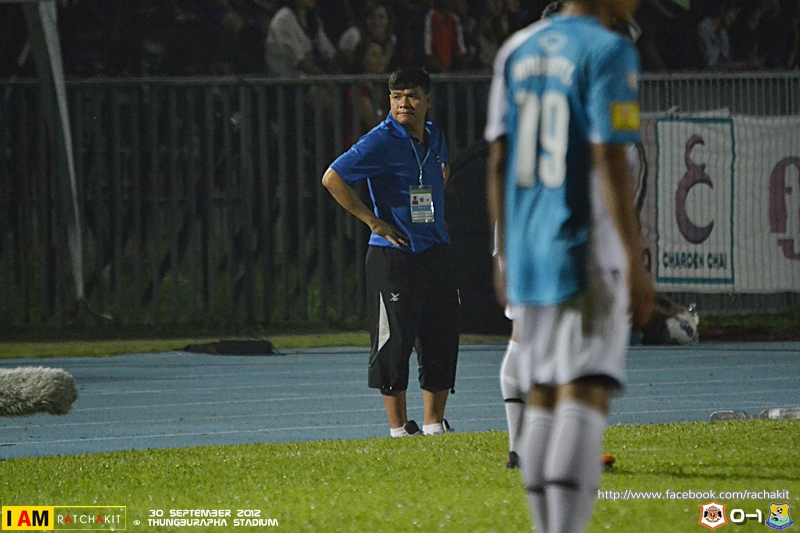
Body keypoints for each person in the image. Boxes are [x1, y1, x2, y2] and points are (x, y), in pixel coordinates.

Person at [485, 0, 655, 532]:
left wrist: (505, 252)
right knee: (584, 390)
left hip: (530, 245)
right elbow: (609, 156)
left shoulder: (516, 49)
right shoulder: (608, 50)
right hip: (583, 245)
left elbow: (498, 159)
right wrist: (634, 258)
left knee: (541, 394)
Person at [322, 67, 460, 438]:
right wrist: (373, 221)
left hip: (435, 249)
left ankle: (434, 425)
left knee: (440, 336)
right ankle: (399, 429)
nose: (404, 104)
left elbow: (442, 171)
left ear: (428, 100)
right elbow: (332, 177)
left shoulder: (435, 136)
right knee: (394, 342)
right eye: (397, 97)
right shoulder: (380, 140)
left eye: (412, 96)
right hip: (394, 254)